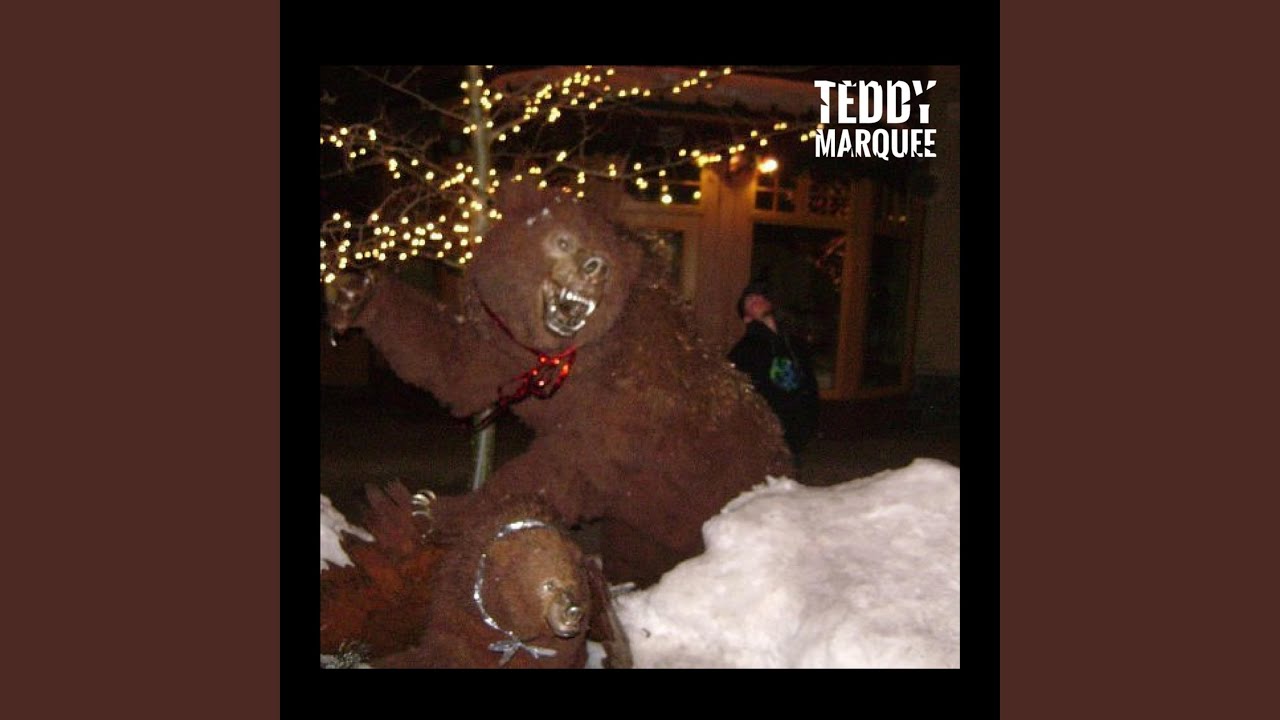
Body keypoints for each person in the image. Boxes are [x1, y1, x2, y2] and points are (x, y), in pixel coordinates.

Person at [727, 281, 820, 461]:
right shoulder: (744, 350)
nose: (756, 299)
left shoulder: (795, 344)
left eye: (760, 296)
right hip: (768, 432)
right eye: (750, 300)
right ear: (746, 318)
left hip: (797, 426)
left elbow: (809, 383)